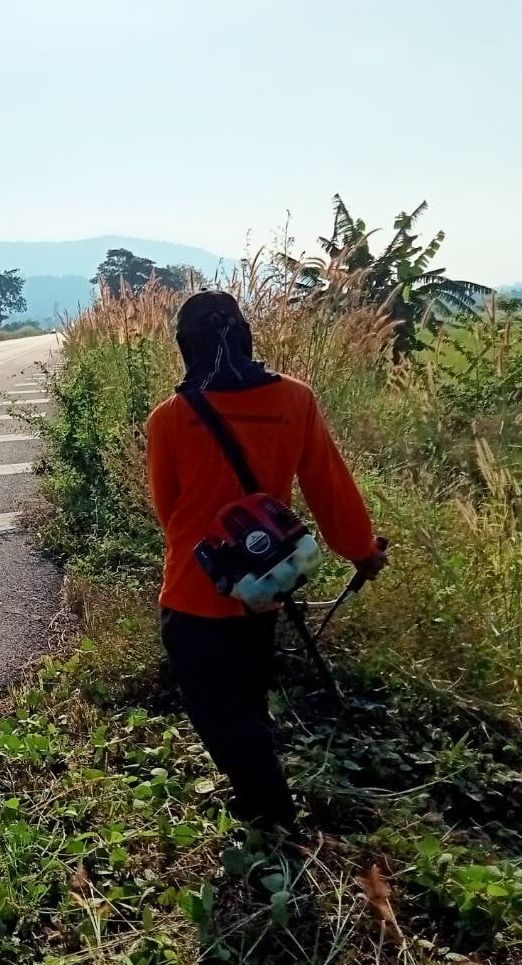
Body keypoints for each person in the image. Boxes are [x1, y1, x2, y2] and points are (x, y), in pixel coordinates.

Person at [145, 290, 387, 833]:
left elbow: (167, 509)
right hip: (265, 586)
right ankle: (258, 800)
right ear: (246, 336)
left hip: (194, 590)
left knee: (215, 711)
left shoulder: (170, 418)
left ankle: (270, 812)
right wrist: (362, 551)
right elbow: (329, 488)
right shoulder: (295, 400)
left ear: (186, 347)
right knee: (248, 697)